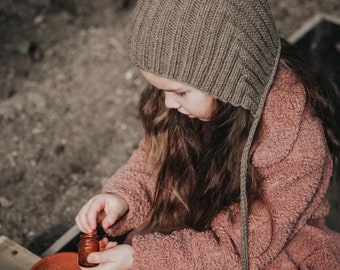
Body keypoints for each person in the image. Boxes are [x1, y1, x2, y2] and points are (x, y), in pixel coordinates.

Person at [75, 0, 340, 269]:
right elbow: (156, 158)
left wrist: (142, 258)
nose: (168, 103)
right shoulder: (184, 104)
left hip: (266, 251)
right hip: (196, 226)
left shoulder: (297, 143)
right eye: (160, 89)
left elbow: (241, 249)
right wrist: (122, 197)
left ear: (227, 81)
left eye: (179, 92)